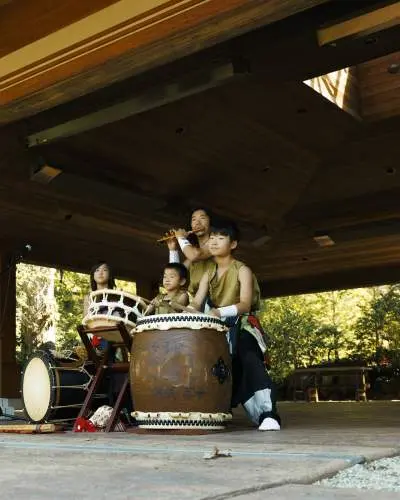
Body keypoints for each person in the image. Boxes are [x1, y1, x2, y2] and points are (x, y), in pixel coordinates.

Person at [191, 220, 281, 431]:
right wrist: (183, 309)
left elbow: (245, 303)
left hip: (242, 324)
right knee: (223, 369)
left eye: (220, 238)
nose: (213, 241)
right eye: (212, 238)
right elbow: (196, 303)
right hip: (218, 328)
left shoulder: (242, 270)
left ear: (233, 244)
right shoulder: (208, 273)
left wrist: (219, 311)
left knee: (249, 359)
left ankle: (269, 413)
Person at [166, 208, 214, 297]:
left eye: (202, 218)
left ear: (210, 223)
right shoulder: (195, 249)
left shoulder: (215, 243)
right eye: (194, 219)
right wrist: (173, 250)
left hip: (216, 302)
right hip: (197, 302)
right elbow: (176, 274)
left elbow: (194, 255)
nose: (197, 223)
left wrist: (181, 238)